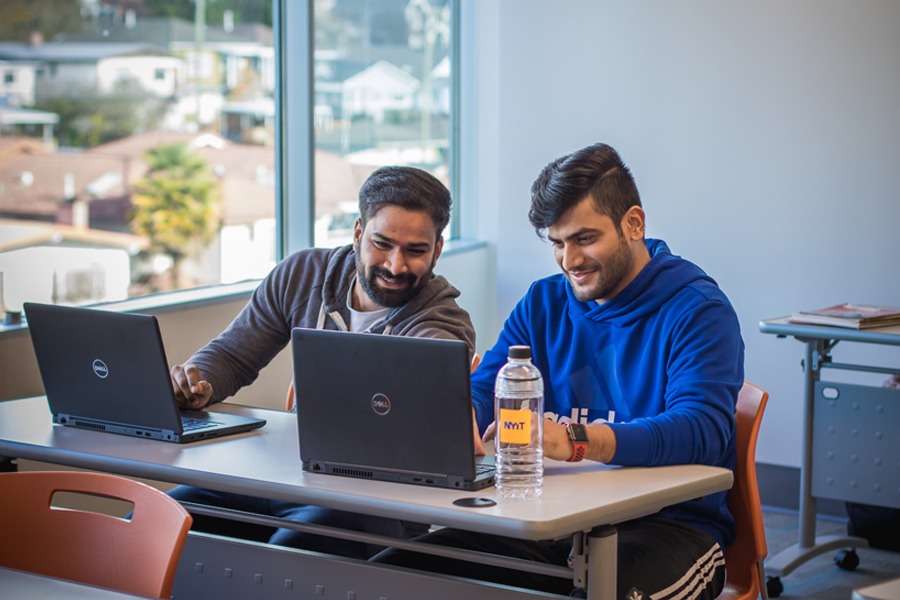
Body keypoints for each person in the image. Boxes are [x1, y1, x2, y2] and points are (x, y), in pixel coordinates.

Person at [373, 143, 744, 600]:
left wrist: (575, 441)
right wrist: (460, 415)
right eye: (557, 243)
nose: (569, 260)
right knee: (390, 576)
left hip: (668, 528)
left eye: (585, 238)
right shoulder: (543, 301)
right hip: (548, 519)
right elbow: (483, 387)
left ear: (634, 224)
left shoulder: (697, 309)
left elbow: (701, 429)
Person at [168, 166, 476, 559]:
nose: (396, 266)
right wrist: (196, 383)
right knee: (167, 517)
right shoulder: (304, 275)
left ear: (436, 250)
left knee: (287, 555)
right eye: (382, 244)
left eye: (416, 251)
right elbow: (232, 355)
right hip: (283, 478)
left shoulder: (441, 325)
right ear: (358, 234)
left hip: (374, 503)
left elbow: (417, 431)